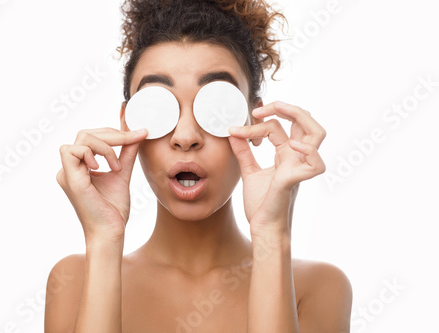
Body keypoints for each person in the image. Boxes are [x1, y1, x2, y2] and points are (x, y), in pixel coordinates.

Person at [44, 0, 352, 332]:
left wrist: (271, 237)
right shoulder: (74, 281)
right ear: (127, 123)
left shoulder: (316, 287)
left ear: (255, 120)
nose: (186, 136)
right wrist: (104, 238)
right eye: (157, 106)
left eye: (218, 107)